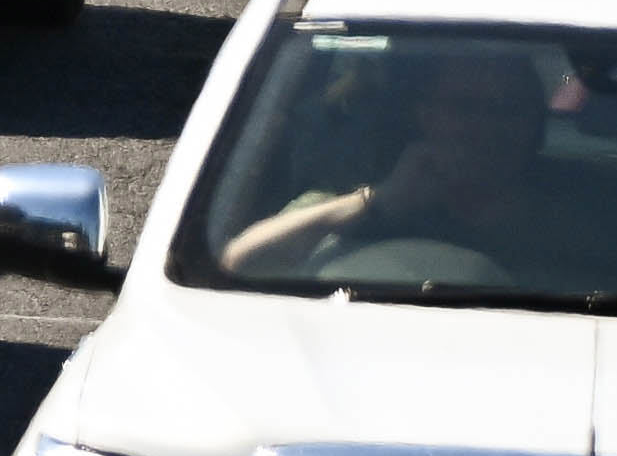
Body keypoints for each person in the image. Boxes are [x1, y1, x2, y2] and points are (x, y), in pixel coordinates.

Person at [213, 42, 561, 281]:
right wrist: (377, 202)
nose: (485, 126)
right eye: (464, 107)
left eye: (507, 109)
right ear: (426, 115)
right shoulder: (356, 204)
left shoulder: (583, 214)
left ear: (536, 122)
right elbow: (240, 260)